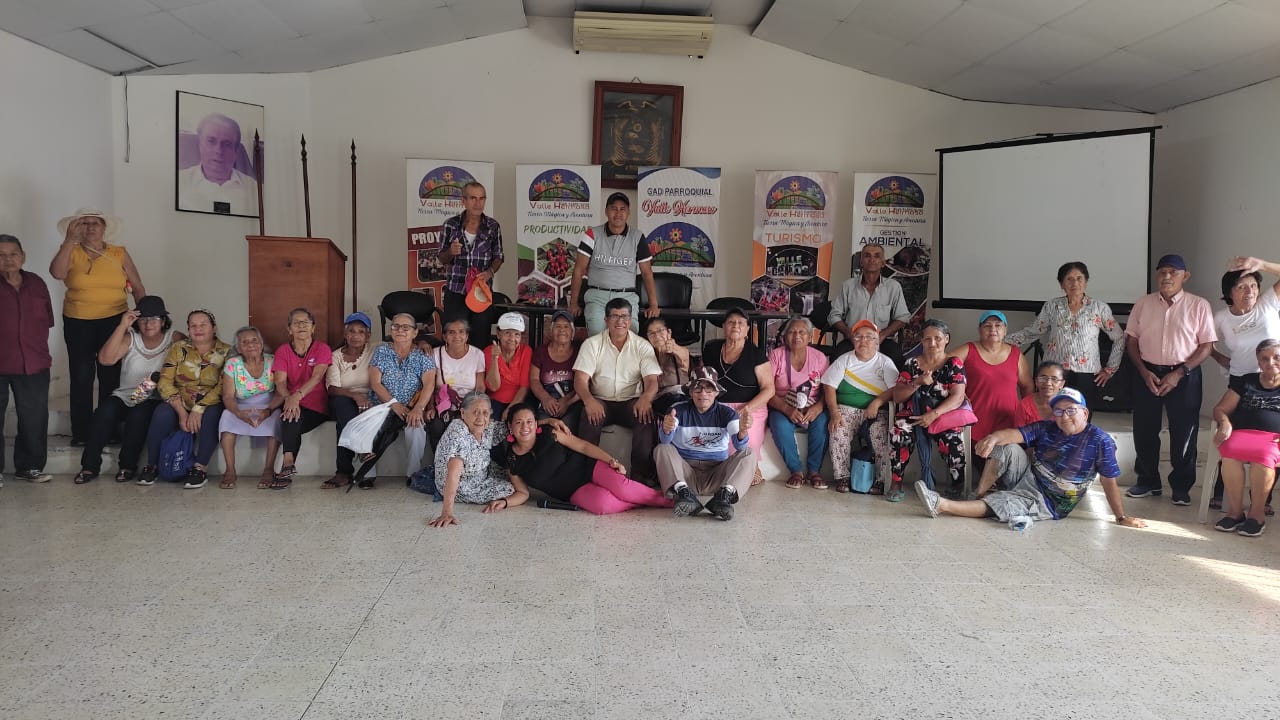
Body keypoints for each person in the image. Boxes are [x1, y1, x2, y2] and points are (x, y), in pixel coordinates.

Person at [915, 387, 1147, 530]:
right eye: (1059, 411)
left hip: (1049, 500)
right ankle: (978, 496)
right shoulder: (1048, 427)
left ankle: (942, 505)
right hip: (1028, 476)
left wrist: (1121, 517)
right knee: (1005, 446)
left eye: (1071, 410)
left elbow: (1108, 481)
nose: (1064, 416)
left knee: (1003, 503)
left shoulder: (1100, 441)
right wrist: (993, 438)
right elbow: (1015, 434)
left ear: (1084, 413)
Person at [1124, 255, 1216, 505]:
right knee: (1144, 429)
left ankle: (1181, 486)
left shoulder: (1199, 305)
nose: (1166, 276)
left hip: (1185, 374)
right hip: (1147, 373)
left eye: (1173, 272)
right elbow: (1132, 341)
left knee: (1184, 431)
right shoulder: (1143, 303)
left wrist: (1179, 373)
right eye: (1162, 272)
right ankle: (1147, 481)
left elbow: (1206, 346)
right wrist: (1143, 372)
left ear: (1185, 276)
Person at [49, 208, 146, 447]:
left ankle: (108, 429)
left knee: (111, 376)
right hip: (78, 320)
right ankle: (81, 433)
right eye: (84, 223)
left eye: (95, 223)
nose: (90, 227)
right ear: (76, 227)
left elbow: (137, 286)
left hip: (114, 320)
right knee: (81, 376)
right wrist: (69, 240)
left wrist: (145, 315)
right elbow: (57, 273)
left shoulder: (119, 253)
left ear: (104, 228)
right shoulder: (70, 250)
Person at [74, 296, 182, 484]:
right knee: (103, 413)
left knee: (138, 417)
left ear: (163, 321)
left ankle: (127, 466)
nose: (148, 324)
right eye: (143, 319)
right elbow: (105, 360)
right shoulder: (130, 337)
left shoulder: (174, 338)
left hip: (154, 397)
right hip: (126, 395)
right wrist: (123, 325)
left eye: (154, 319)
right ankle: (89, 466)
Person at [490, 403, 672, 515]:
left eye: (529, 421)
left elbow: (583, 446)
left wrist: (611, 461)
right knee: (603, 505)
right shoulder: (512, 460)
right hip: (573, 491)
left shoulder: (550, 432)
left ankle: (670, 502)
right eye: (519, 422)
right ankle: (639, 503)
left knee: (623, 488)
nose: (525, 427)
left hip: (590, 467)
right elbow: (523, 493)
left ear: (536, 423)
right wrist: (505, 502)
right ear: (510, 427)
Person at [1206, 257, 1280, 511]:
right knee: (1232, 435)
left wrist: (1261, 264)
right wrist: (1221, 359)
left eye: (1253, 285)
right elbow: (1204, 343)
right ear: (1229, 293)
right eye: (1241, 287)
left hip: (1274, 381)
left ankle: (1263, 499)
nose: (1249, 291)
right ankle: (1221, 492)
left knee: (1273, 437)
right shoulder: (1221, 318)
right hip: (1241, 382)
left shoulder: (1268, 303)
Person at [1005, 261, 1124, 408]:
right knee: (1051, 412)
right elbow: (1034, 331)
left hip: (1087, 374)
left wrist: (1110, 369)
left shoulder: (1099, 308)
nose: (1075, 283)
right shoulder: (1052, 306)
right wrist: (1004, 341)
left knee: (1080, 415)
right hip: (1054, 373)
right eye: (1069, 279)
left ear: (1086, 281)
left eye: (1079, 278)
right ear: (1061, 284)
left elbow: (1119, 337)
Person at [573, 297, 662, 484]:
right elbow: (580, 380)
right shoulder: (592, 344)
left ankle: (640, 478)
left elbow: (652, 380)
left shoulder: (642, 345)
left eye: (624, 316)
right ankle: (586, 476)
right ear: (606, 320)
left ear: (630, 320)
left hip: (631, 402)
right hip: (601, 401)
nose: (620, 321)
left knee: (645, 416)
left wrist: (646, 397)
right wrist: (589, 400)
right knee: (588, 416)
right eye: (614, 316)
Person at [141, 309, 231, 488]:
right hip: (179, 400)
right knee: (162, 413)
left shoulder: (227, 351)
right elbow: (165, 381)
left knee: (212, 415)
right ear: (188, 329)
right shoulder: (178, 348)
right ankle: (152, 465)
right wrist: (182, 412)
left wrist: (198, 409)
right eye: (193, 326)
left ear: (213, 328)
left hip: (210, 401)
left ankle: (200, 468)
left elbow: (223, 386)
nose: (198, 329)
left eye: (203, 325)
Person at [655, 367, 757, 521]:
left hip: (717, 475)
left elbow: (740, 447)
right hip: (685, 474)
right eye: (698, 388)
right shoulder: (677, 410)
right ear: (690, 392)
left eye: (709, 389)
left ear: (716, 392)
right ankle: (684, 495)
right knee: (662, 449)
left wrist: (742, 431)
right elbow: (665, 441)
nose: (703, 394)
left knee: (749, 453)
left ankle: (723, 497)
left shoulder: (727, 413)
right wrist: (666, 428)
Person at [885, 319, 968, 500]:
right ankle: (896, 483)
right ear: (921, 341)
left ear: (946, 339)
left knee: (953, 439)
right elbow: (898, 396)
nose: (932, 343)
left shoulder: (954, 363)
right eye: (927, 339)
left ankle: (956, 485)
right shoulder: (911, 364)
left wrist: (934, 414)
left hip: (943, 415)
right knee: (899, 431)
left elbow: (958, 396)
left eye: (938, 338)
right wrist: (917, 382)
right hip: (913, 415)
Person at [1211, 339, 1280, 537]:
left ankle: (1257, 515)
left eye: (1276, 357)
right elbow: (1220, 409)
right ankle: (1235, 512)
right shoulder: (1246, 381)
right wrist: (1225, 422)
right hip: (1241, 435)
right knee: (1229, 451)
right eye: (1264, 359)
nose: (1270, 362)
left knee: (1264, 456)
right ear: (1258, 362)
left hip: (1272, 439)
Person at [0, 235, 54, 484]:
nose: (8, 259)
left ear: (23, 257)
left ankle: (30, 466)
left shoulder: (37, 283)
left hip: (33, 362)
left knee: (34, 418)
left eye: (13, 254)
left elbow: (47, 320)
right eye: (1, 255)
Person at [821, 320, 898, 494]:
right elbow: (829, 386)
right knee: (838, 430)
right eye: (858, 337)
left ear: (877, 342)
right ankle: (842, 477)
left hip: (876, 410)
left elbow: (895, 388)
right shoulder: (845, 360)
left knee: (880, 435)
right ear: (853, 341)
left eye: (869, 337)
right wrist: (834, 413)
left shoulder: (885, 362)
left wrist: (876, 403)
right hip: (846, 408)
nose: (863, 341)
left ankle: (881, 480)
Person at [568, 191, 660, 335]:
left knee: (630, 335)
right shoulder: (592, 235)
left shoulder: (637, 237)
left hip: (626, 296)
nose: (618, 213)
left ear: (628, 212)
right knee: (597, 334)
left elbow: (647, 273)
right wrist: (573, 303)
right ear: (606, 211)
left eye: (622, 209)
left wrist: (654, 305)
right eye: (613, 208)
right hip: (597, 297)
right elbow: (579, 270)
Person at [949, 310, 1032, 467]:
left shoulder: (1016, 355)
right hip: (974, 425)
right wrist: (956, 390)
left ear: (1005, 330)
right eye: (987, 325)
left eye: (998, 325)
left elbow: (1027, 387)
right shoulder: (968, 350)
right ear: (979, 330)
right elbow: (943, 365)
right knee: (981, 468)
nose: (993, 329)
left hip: (1008, 426)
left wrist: (1027, 418)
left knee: (1005, 469)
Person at [702, 307, 775, 485]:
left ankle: (751, 468)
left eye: (741, 323)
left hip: (750, 407)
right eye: (731, 322)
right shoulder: (711, 349)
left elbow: (769, 389)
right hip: (718, 406)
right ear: (724, 327)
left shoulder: (756, 354)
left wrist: (746, 408)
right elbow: (703, 378)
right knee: (717, 443)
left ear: (747, 329)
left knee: (743, 438)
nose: (736, 326)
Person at [366, 312, 437, 487]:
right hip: (383, 404)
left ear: (415, 332)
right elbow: (375, 383)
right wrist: (393, 404)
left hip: (411, 407)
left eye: (406, 327)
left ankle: (412, 473)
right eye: (396, 326)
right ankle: (367, 473)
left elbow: (429, 384)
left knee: (416, 428)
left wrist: (419, 408)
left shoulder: (422, 354)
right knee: (370, 425)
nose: (400, 330)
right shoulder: (382, 351)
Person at [429, 392, 519, 528]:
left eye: (485, 413)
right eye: (475, 413)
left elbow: (516, 427)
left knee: (514, 475)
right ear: (463, 413)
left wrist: (542, 422)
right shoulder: (458, 433)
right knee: (510, 488)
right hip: (462, 485)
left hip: (480, 471)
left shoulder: (487, 427)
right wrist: (447, 512)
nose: (481, 418)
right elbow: (453, 474)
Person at [269, 308, 332, 488]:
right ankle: (288, 464)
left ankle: (287, 465)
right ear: (289, 329)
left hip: (316, 406)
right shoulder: (283, 351)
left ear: (313, 328)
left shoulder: (322, 349)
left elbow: (317, 377)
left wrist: (296, 396)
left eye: (306, 322)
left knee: (291, 416)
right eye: (296, 323)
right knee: (291, 415)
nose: (301, 326)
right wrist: (289, 398)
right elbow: (280, 381)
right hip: (291, 402)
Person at [767, 316, 830, 489]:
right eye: (792, 332)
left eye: (802, 332)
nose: (797, 336)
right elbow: (767, 389)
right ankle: (796, 471)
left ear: (810, 336)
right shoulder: (776, 355)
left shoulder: (819, 358)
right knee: (778, 424)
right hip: (782, 405)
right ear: (785, 336)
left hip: (812, 405)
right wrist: (786, 409)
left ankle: (814, 471)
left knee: (822, 422)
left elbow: (828, 389)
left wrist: (818, 407)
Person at [216, 327, 282, 490]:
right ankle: (230, 470)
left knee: (277, 419)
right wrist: (238, 413)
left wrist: (268, 410)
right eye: (244, 342)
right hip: (240, 406)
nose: (250, 344)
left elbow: (281, 393)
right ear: (238, 348)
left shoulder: (273, 361)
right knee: (226, 417)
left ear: (261, 344)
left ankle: (268, 470)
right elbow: (228, 397)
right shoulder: (232, 364)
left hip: (268, 405)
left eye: (254, 340)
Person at [439, 182, 503, 346]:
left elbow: (499, 257)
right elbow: (442, 258)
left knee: (480, 340)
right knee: (455, 340)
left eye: (482, 198)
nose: (478, 203)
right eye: (473, 198)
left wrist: (490, 272)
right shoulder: (450, 225)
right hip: (456, 292)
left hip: (481, 292)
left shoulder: (492, 226)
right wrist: (450, 252)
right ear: (464, 201)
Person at [827, 244, 910, 365]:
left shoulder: (893, 287)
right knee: (836, 359)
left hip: (882, 340)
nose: (872, 259)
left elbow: (903, 317)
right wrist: (849, 333)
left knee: (897, 360)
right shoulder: (848, 286)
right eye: (867, 256)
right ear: (861, 262)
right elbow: (834, 316)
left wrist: (883, 335)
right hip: (854, 339)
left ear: (883, 262)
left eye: (877, 256)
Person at [323, 312, 379, 489]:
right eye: (351, 331)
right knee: (342, 406)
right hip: (343, 398)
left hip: (370, 400)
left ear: (368, 335)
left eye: (361, 332)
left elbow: (403, 343)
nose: (356, 336)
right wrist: (354, 396)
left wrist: (423, 343)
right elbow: (332, 388)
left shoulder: (376, 348)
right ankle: (361, 448)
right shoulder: (335, 356)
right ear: (345, 334)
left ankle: (343, 472)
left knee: (345, 423)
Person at [177, 113, 259, 216]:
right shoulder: (178, 182)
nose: (219, 151)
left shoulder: (255, 191)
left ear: (236, 151)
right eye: (211, 141)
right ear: (200, 144)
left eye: (227, 144)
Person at [428, 317, 487, 448]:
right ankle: (440, 459)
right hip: (443, 404)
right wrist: (430, 407)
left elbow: (480, 386)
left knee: (467, 427)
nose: (457, 336)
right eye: (451, 332)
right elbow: (430, 385)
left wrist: (472, 408)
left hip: (469, 403)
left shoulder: (477, 354)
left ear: (467, 336)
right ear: (444, 336)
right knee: (436, 426)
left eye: (461, 332)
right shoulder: (435, 354)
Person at [529, 310, 582, 427]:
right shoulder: (540, 352)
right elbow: (534, 380)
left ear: (572, 332)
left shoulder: (580, 352)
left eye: (566, 327)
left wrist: (566, 402)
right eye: (558, 326)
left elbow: (584, 383)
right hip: (547, 402)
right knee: (545, 430)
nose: (562, 330)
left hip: (572, 402)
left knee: (566, 428)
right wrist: (545, 398)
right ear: (551, 331)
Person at [485, 312, 532, 420]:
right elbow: (493, 387)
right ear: (498, 334)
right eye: (507, 333)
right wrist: (495, 358)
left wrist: (510, 409)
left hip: (519, 400)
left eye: (517, 334)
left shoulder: (526, 351)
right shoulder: (489, 352)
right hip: (494, 401)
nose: (512, 338)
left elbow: (524, 387)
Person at [645, 316, 690, 417]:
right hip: (657, 399)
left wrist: (673, 348)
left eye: (660, 331)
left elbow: (684, 356)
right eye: (651, 333)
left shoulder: (680, 350)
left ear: (669, 332)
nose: (657, 336)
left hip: (680, 396)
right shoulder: (647, 355)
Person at [1016, 361, 1066, 426]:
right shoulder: (1025, 405)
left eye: (1054, 379)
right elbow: (1018, 431)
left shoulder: (1067, 405)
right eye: (1043, 378)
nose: (1048, 383)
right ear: (1036, 382)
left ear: (1062, 384)